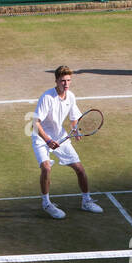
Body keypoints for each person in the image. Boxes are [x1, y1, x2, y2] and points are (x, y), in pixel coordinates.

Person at [30, 65, 101, 219]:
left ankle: (86, 201)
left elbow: (74, 118)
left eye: (68, 80)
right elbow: (35, 123)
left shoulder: (71, 96)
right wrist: (48, 140)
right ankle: (46, 203)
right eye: (63, 81)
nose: (66, 84)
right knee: (46, 168)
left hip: (60, 137)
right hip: (41, 138)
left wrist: (75, 129)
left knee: (80, 169)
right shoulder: (47, 97)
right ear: (56, 81)